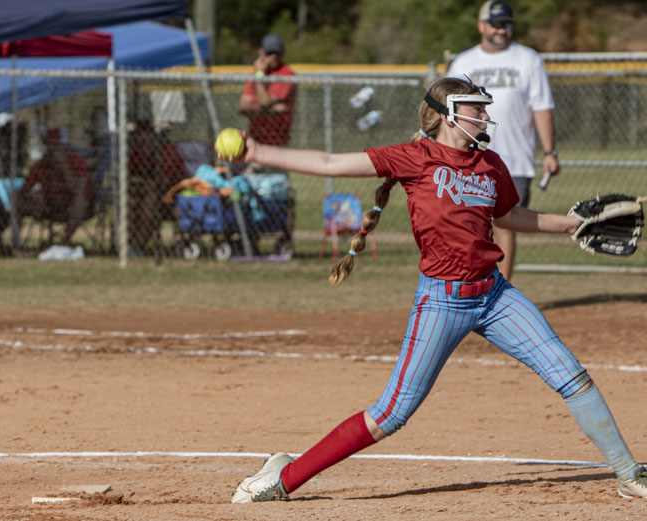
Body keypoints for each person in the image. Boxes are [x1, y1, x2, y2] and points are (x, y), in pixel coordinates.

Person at [223, 77, 646, 502]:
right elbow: (329, 161)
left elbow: (509, 216)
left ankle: (629, 475)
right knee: (390, 414)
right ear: (449, 115)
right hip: (442, 301)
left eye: (484, 108)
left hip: (495, 296)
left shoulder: (490, 164)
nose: (485, 115)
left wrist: (570, 224)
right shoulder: (415, 158)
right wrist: (257, 151)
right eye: (476, 108)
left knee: (570, 374)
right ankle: (284, 477)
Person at [447, 0, 559, 282]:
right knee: (468, 222)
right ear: (481, 26)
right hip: (469, 157)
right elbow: (447, 112)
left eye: (506, 24)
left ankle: (500, 289)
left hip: (514, 158)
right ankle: (470, 282)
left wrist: (550, 151)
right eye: (496, 24)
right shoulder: (464, 62)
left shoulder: (528, 59)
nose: (501, 30)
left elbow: (541, 107)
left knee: (504, 222)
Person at [16, 127, 92, 246]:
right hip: (49, 204)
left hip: (72, 204)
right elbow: (25, 188)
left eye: (56, 145)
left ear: (64, 146)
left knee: (80, 200)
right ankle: (16, 242)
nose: (52, 150)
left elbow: (77, 190)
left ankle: (64, 242)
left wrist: (64, 167)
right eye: (49, 145)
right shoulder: (42, 164)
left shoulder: (77, 162)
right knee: (18, 200)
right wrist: (34, 196)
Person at [127, 121, 189, 255]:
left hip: (172, 196)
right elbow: (128, 180)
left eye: (146, 141)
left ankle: (138, 247)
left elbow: (163, 183)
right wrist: (138, 187)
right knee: (130, 202)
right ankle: (129, 244)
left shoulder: (165, 153)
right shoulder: (135, 153)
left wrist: (142, 186)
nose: (143, 146)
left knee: (149, 202)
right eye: (140, 141)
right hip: (143, 193)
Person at [238, 33, 296, 148]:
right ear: (261, 53)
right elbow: (243, 107)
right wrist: (271, 109)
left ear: (283, 53)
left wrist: (259, 76)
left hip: (278, 142)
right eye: (269, 53)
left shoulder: (286, 74)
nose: (273, 57)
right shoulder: (256, 73)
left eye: (277, 53)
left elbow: (264, 101)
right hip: (255, 140)